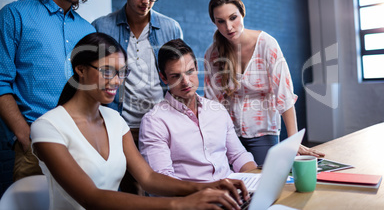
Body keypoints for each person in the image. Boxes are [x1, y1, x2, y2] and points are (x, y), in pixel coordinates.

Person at [31, 32, 249, 210]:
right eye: (107, 71)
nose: (116, 81)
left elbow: (148, 178)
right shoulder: (48, 127)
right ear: (80, 70)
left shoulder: (115, 120)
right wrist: (182, 203)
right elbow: (91, 198)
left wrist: (209, 187)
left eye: (121, 73)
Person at [0, 0, 96, 182]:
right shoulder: (15, 14)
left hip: (82, 142)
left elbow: (93, 88)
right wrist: (24, 135)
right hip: (35, 143)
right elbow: (1, 82)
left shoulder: (88, 29)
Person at [204, 0, 325, 166]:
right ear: (214, 23)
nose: (228, 27)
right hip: (228, 135)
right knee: (234, 188)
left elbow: (284, 95)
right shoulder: (212, 54)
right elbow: (213, 103)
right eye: (220, 21)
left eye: (233, 18)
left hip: (263, 132)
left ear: (242, 13)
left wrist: (294, 141)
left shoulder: (267, 44)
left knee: (265, 182)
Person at [92, 0, 183, 146]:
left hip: (161, 127)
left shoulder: (171, 28)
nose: (147, 2)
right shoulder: (101, 26)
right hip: (116, 127)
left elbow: (178, 78)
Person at [139, 39, 257, 183]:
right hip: (194, 200)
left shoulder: (217, 111)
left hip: (233, 194)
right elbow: (162, 179)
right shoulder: (154, 121)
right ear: (163, 77)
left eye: (190, 72)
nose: (186, 82)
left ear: (196, 67)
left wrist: (256, 179)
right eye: (176, 76)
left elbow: (238, 156)